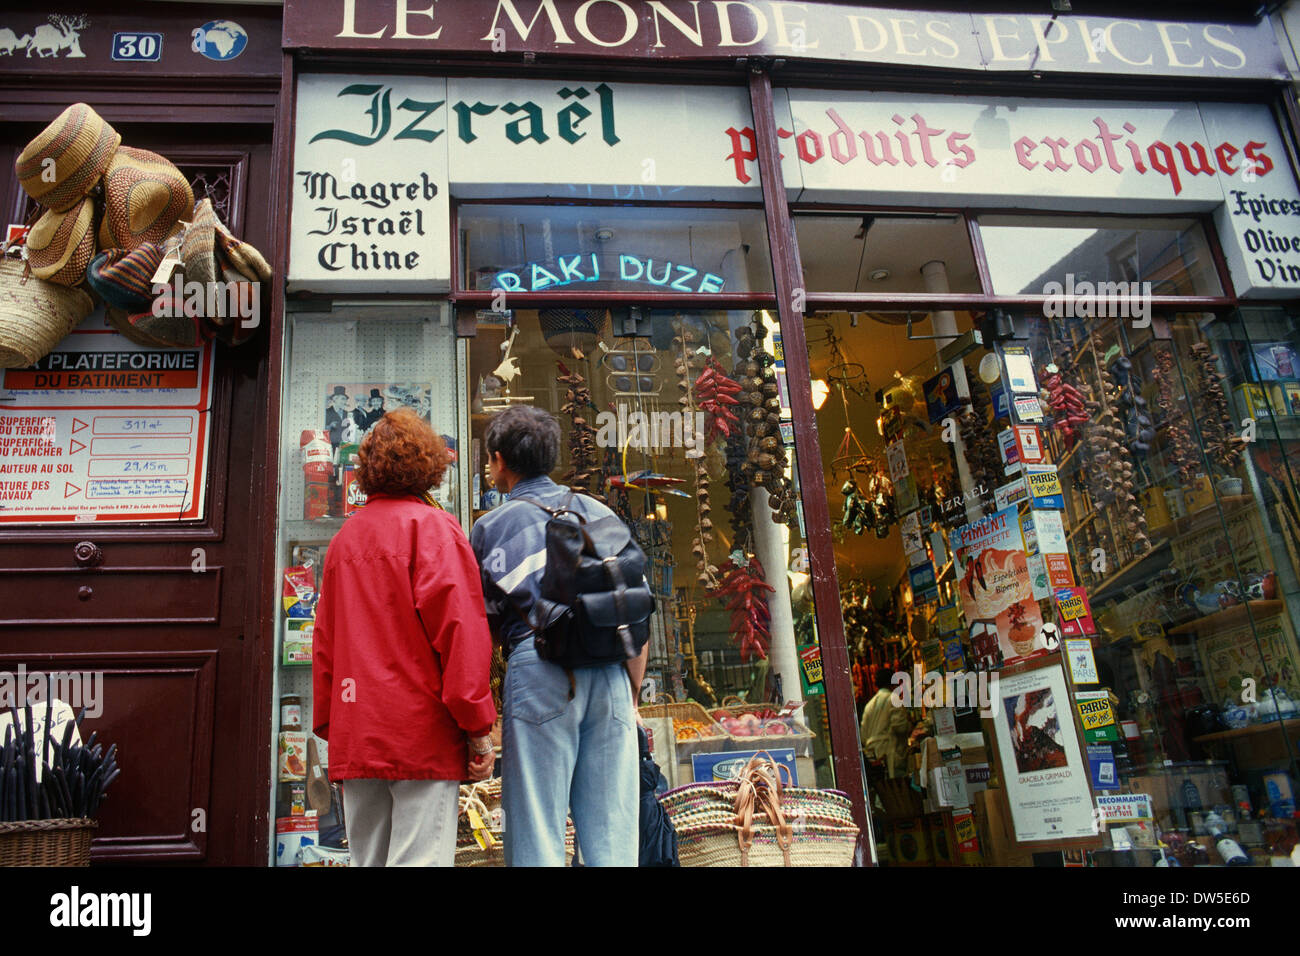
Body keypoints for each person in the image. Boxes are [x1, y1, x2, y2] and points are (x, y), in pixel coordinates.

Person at [312, 408, 497, 867]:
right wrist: (478, 730)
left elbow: (324, 648)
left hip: (358, 731)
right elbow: (460, 634)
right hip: (421, 732)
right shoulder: (435, 531)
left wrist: (334, 729)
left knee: (366, 859)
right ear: (429, 467)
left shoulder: (343, 541)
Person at [470, 405, 645, 867]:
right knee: (612, 835)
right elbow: (634, 612)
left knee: (537, 831)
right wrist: (630, 695)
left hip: (539, 669)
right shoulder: (600, 512)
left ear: (499, 460)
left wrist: (483, 715)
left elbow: (481, 632)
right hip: (611, 669)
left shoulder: (490, 527)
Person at [859, 668, 912, 778]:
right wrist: (909, 725)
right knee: (896, 790)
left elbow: (863, 736)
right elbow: (900, 727)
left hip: (873, 756)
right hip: (890, 754)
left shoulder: (869, 705)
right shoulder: (893, 698)